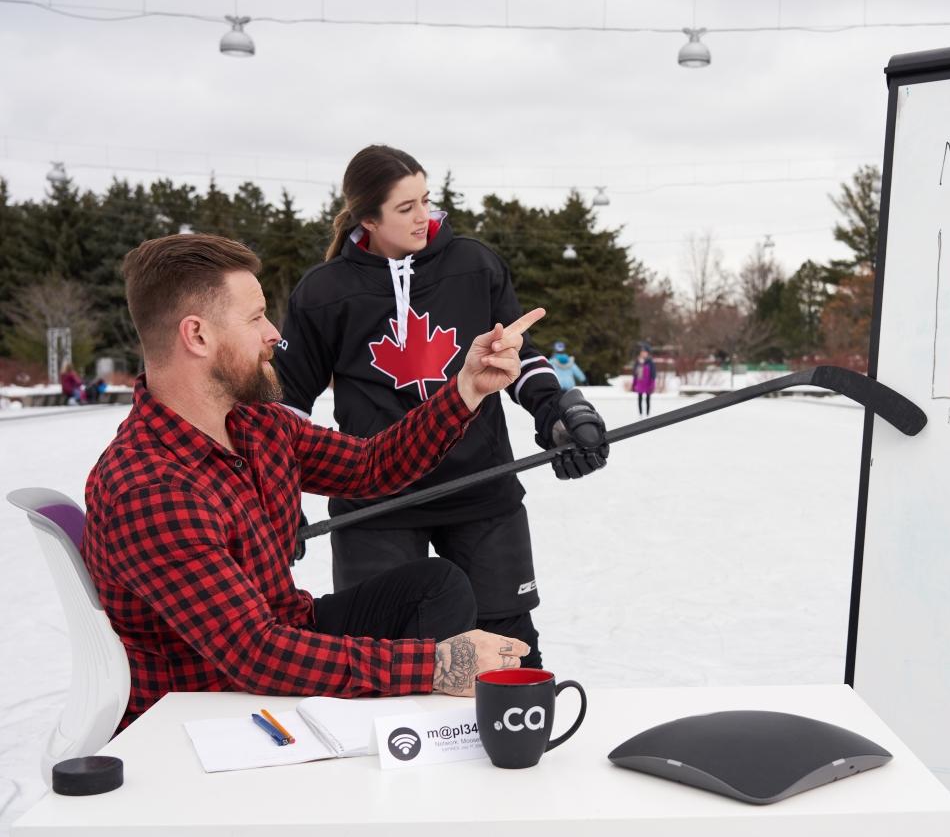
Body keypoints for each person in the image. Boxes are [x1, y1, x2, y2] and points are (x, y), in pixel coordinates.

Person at [83, 233, 537, 730]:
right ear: (197, 336)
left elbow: (371, 466)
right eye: (255, 318)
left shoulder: (255, 426)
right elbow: (256, 653)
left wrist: (466, 389)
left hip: (274, 640)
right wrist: (437, 666)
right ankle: (398, 747)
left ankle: (409, 738)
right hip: (210, 714)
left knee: (436, 587)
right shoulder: (150, 488)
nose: (274, 333)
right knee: (430, 654)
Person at [273, 145, 610, 670]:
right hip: (375, 505)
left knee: (509, 648)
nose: (423, 217)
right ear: (368, 217)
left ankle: (515, 746)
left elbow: (515, 361)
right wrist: (277, 495)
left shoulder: (473, 265)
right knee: (381, 654)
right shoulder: (324, 293)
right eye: (405, 208)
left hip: (480, 489)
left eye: (426, 201)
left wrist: (561, 414)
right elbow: (288, 405)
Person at [631, 344, 657, 416]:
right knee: (639, 399)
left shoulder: (650, 362)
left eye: (644, 352)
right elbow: (635, 374)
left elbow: (653, 374)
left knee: (648, 399)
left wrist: (652, 384)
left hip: (648, 384)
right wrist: (634, 384)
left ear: (647, 353)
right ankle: (640, 415)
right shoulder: (638, 362)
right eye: (642, 352)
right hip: (640, 384)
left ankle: (648, 414)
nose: (643, 353)